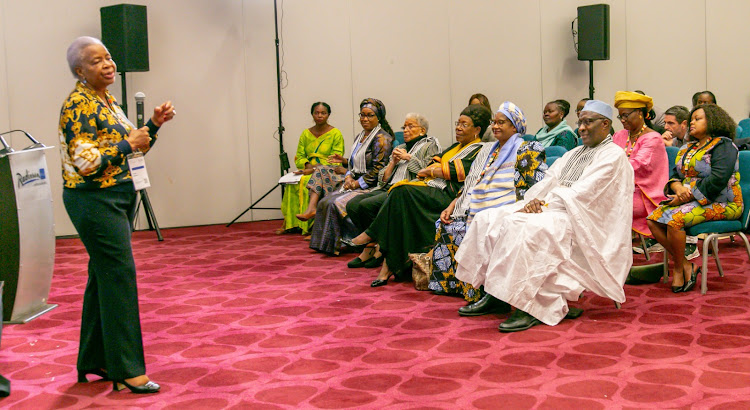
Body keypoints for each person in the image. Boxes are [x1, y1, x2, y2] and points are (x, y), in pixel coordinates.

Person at [454, 100, 634, 332]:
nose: (581, 128)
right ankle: (495, 293)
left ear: (605, 124)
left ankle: (530, 306)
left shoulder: (614, 156)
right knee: (488, 218)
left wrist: (545, 204)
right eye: (580, 122)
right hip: (553, 207)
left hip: (583, 218)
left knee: (520, 225)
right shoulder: (575, 152)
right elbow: (549, 180)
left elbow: (587, 194)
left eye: (588, 122)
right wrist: (533, 202)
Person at [60, 36, 175, 393]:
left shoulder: (106, 100)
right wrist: (128, 144)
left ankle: (94, 360)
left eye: (108, 57)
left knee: (103, 278)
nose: (108, 64)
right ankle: (126, 370)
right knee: (120, 279)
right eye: (97, 61)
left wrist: (153, 127)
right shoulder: (77, 105)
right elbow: (86, 163)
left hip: (118, 195)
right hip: (95, 201)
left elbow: (131, 147)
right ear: (80, 70)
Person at [349, 104, 490, 286]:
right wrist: (435, 170)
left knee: (401, 191)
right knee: (399, 201)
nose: (458, 128)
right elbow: (429, 166)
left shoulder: (480, 149)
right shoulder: (455, 147)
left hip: (448, 196)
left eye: (464, 124)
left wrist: (435, 170)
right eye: (458, 123)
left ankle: (373, 236)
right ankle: (387, 266)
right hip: (431, 188)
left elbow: (457, 171)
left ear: (477, 129)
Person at [429, 102, 547, 310]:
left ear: (515, 127)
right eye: (494, 122)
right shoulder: (488, 151)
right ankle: (473, 291)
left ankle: (493, 295)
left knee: (485, 226)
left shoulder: (526, 148)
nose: (495, 126)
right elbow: (473, 182)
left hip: (511, 205)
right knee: (447, 223)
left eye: (502, 122)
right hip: (477, 206)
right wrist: (454, 203)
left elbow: (537, 184)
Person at [647, 104, 743, 293]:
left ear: (713, 121)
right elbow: (676, 174)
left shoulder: (723, 145)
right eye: (692, 119)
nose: (692, 122)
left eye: (698, 119)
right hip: (690, 201)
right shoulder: (688, 147)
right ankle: (684, 264)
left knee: (675, 221)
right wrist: (676, 186)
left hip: (722, 202)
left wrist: (685, 197)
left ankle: (678, 269)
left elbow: (717, 180)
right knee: (653, 220)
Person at [345, 113, 441, 268]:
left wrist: (408, 158)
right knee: (353, 204)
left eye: (411, 126)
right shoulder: (400, 147)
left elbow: (426, 171)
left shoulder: (430, 145)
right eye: (404, 127)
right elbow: (382, 177)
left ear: (422, 130)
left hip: (406, 190)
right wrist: (393, 162)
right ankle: (374, 246)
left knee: (366, 205)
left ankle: (376, 248)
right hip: (387, 187)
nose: (405, 130)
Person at [308, 98, 394, 254]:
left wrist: (356, 184)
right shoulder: (360, 136)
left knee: (335, 202)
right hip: (355, 180)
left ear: (379, 117)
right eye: (362, 115)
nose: (365, 119)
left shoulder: (382, 139)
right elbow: (354, 164)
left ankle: (346, 243)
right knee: (325, 201)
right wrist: (348, 177)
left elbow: (377, 170)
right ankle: (325, 244)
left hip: (372, 185)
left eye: (370, 115)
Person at [279, 102, 344, 235]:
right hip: (308, 169)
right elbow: (300, 156)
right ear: (312, 114)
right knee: (292, 184)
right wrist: (308, 167)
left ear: (328, 115)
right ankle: (291, 224)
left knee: (306, 182)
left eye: (323, 113)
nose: (320, 116)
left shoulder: (336, 133)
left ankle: (311, 226)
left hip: (327, 171)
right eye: (316, 113)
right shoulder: (305, 134)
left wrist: (313, 170)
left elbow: (335, 159)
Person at [612, 91, 669, 238]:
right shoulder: (620, 135)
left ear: (639, 113)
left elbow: (636, 165)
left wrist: (607, 169)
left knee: (598, 205)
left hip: (643, 195)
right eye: (620, 116)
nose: (622, 120)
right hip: (619, 189)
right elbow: (607, 158)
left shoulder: (653, 138)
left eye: (625, 115)